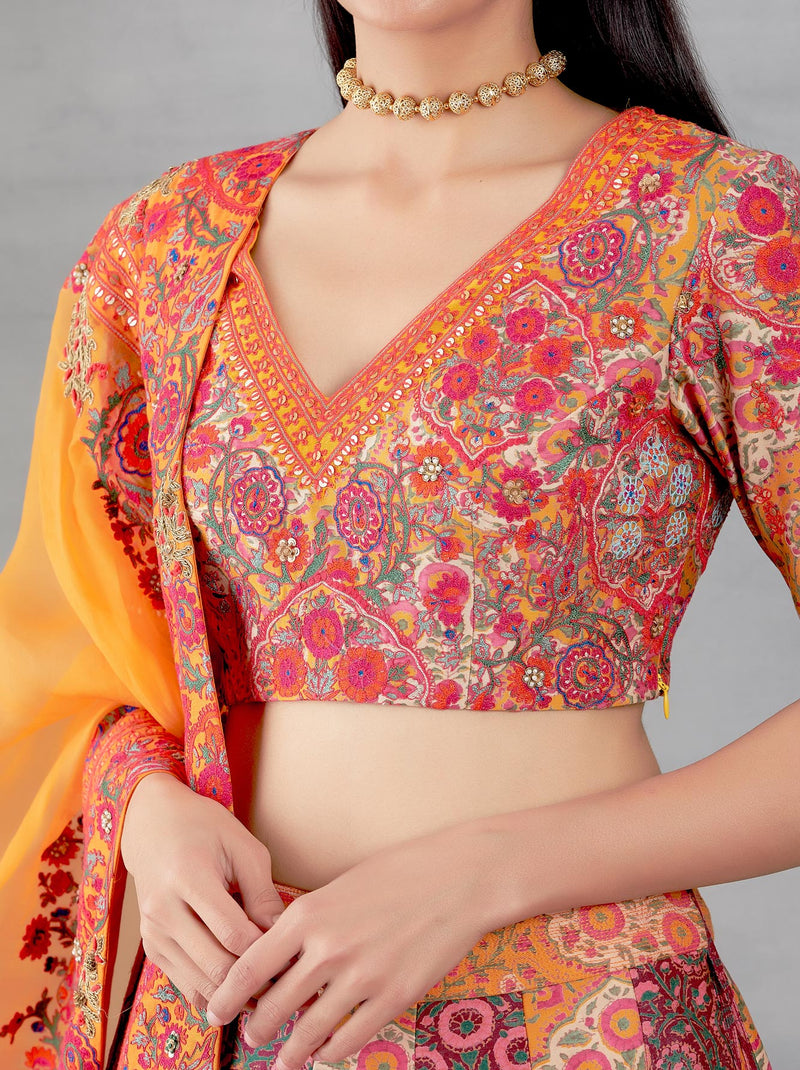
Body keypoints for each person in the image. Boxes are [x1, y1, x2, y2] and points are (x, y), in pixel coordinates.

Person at [1, 0, 798, 1067]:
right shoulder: (165, 244)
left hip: (578, 1017)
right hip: (222, 1015)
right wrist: (143, 805)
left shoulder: (717, 222)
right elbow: (60, 655)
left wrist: (485, 873)